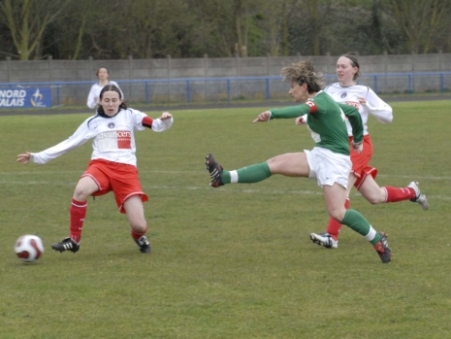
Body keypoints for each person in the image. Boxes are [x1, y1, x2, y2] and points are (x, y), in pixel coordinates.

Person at [205, 60, 392, 263]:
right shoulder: (325, 100)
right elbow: (354, 113)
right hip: (321, 155)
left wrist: (272, 114)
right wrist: (357, 139)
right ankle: (222, 177)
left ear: (304, 86)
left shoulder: (318, 101)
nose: (289, 91)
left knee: (338, 212)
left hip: (334, 162)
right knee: (275, 163)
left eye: (292, 86)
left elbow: (300, 111)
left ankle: (377, 238)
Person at [17, 84, 173, 254]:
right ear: (100, 101)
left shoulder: (130, 115)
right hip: (101, 166)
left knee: (139, 225)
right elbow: (69, 143)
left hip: (126, 172)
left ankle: (138, 236)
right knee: (81, 190)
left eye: (114, 100)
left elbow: (155, 124)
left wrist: (166, 119)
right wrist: (37, 156)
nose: (111, 104)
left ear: (120, 100)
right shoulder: (92, 122)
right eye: (107, 100)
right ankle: (74, 240)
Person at [309, 54, 428, 249]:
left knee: (341, 186)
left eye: (343, 66)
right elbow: (320, 110)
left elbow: (388, 116)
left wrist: (369, 106)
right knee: (375, 196)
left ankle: (332, 236)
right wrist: (305, 118)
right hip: (337, 145)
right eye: (337, 66)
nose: (339, 70)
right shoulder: (330, 90)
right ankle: (412, 191)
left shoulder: (364, 91)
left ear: (354, 69)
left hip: (358, 144)